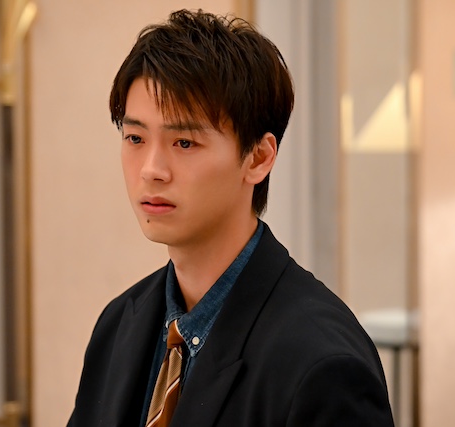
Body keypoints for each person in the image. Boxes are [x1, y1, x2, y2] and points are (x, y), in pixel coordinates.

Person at [68, 9, 394, 427]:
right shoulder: (118, 325)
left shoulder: (322, 363)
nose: (151, 169)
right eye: (135, 138)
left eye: (184, 143)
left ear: (258, 158)